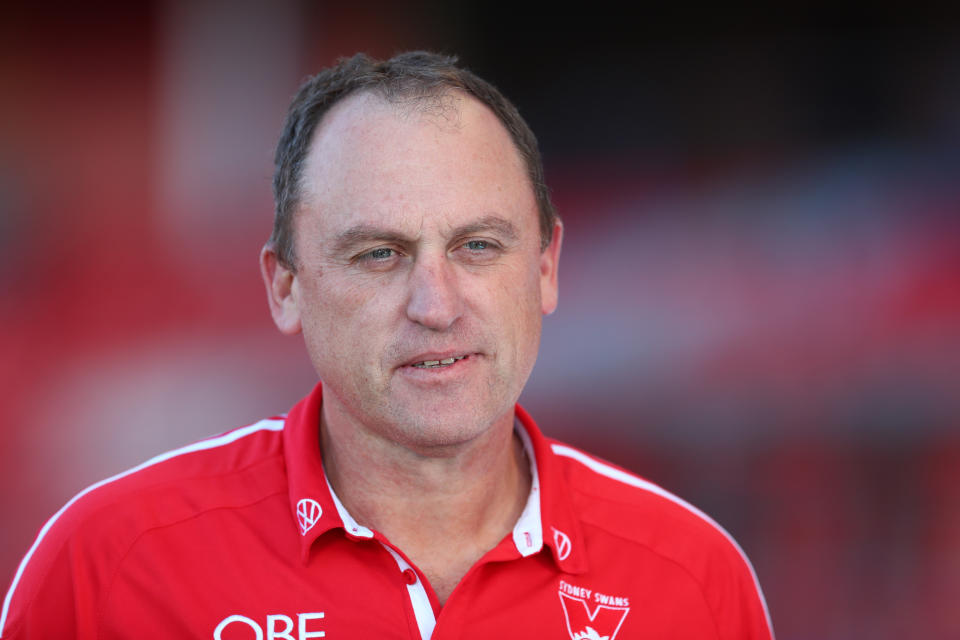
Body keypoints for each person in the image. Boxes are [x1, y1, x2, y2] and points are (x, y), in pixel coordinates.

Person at [1, 52, 773, 640]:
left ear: (545, 269)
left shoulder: (693, 580)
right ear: (285, 287)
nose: (435, 307)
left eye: (477, 246)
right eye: (379, 254)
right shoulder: (108, 566)